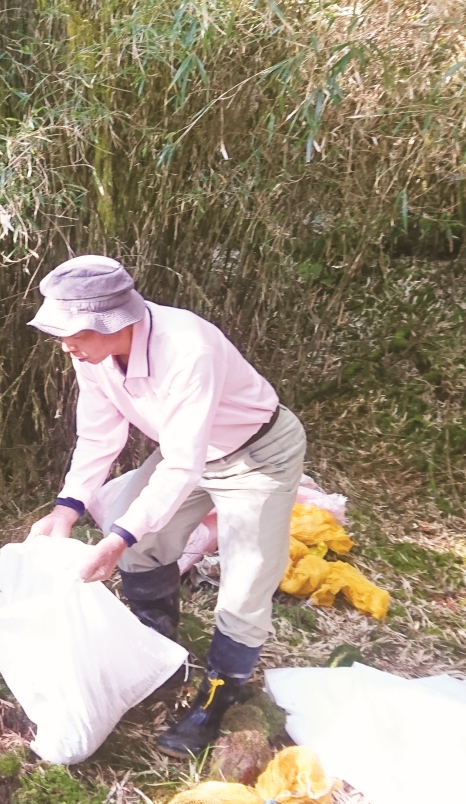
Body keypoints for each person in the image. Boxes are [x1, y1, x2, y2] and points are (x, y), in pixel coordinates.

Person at [25, 255, 305, 758]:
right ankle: (158, 649)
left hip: (256, 454)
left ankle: (216, 702)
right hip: (186, 451)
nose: (64, 343)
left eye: (74, 332)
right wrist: (66, 509)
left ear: (115, 322)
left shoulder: (186, 347)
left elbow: (182, 465)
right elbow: (98, 435)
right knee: (139, 540)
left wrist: (116, 539)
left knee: (245, 584)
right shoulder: (88, 353)